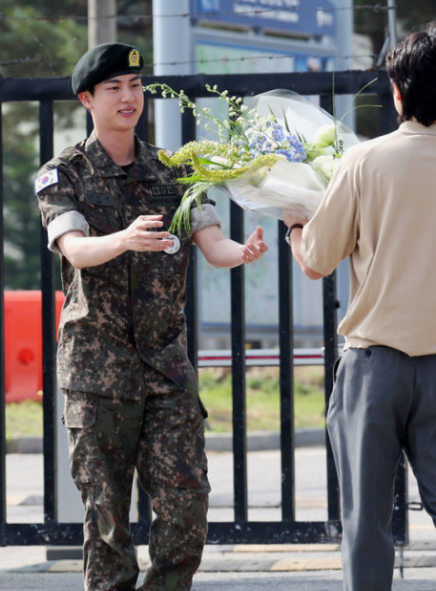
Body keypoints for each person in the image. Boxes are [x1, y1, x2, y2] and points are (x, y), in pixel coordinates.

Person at [284, 23, 436, 591]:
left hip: (373, 368)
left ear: (397, 92)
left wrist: (294, 225)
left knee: (367, 520)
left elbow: (315, 261)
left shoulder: (363, 164)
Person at [35, 42, 268, 591]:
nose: (128, 97)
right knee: (108, 526)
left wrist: (245, 250)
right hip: (99, 375)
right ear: (87, 99)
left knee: (186, 512)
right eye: (113, 88)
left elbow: (214, 244)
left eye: (135, 86)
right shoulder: (61, 174)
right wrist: (125, 238)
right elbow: (75, 249)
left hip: (166, 372)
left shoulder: (175, 172)